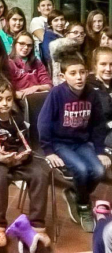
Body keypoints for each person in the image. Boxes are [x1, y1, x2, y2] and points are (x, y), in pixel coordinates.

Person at [38, 53, 109, 232]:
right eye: (73, 73)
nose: (79, 77)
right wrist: (48, 150)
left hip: (82, 142)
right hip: (60, 143)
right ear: (63, 76)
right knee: (81, 170)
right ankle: (84, 205)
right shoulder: (56, 93)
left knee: (99, 170)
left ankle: (75, 192)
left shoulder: (91, 93)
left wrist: (100, 150)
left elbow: (98, 123)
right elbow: (43, 123)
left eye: (82, 72)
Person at [0, 78, 50, 247]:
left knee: (40, 173)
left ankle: (37, 224)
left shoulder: (17, 118)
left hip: (16, 159)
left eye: (9, 99)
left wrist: (22, 154)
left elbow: (25, 142)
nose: (5, 103)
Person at [8, 30, 52, 99]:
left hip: (37, 97)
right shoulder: (8, 63)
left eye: (29, 45)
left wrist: (36, 87)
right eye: (22, 43)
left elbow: (49, 85)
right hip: (18, 99)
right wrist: (17, 95)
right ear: (15, 44)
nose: (26, 47)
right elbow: (5, 89)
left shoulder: (37, 63)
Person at [87, 47, 112, 149]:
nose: (108, 69)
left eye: (111, 64)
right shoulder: (88, 85)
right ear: (95, 66)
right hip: (100, 134)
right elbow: (104, 111)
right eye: (103, 64)